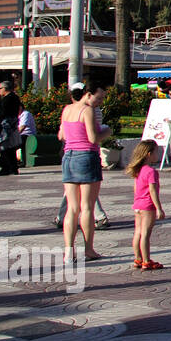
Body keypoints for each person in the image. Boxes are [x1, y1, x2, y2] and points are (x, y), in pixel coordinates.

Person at [60, 81, 109, 262]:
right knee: (87, 206)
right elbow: (93, 138)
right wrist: (107, 131)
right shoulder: (87, 110)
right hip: (86, 156)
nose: (100, 101)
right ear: (88, 94)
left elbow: (63, 135)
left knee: (72, 208)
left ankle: (68, 251)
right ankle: (88, 249)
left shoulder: (67, 109)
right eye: (99, 97)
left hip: (69, 157)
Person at [127, 141, 165, 270]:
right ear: (149, 154)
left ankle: (138, 258)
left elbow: (136, 188)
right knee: (145, 234)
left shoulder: (138, 170)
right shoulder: (151, 171)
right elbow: (152, 191)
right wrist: (159, 208)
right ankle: (146, 260)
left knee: (137, 232)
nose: (157, 155)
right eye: (156, 152)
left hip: (138, 204)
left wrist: (137, 201)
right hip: (148, 205)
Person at [0, 80, 22, 176]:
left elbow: (3, 113)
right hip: (12, 125)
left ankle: (6, 168)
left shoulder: (7, 99)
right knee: (10, 148)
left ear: (5, 89)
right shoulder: (15, 97)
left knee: (4, 147)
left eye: (0, 88)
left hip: (5, 126)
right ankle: (13, 168)